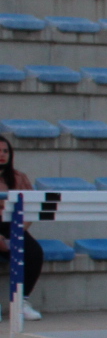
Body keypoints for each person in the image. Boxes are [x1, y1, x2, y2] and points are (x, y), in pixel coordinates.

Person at [0, 134, 42, 321]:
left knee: (34, 252)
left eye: (5, 151)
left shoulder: (19, 177)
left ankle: (21, 302)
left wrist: (18, 231)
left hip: (14, 225)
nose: (2, 154)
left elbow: (31, 208)